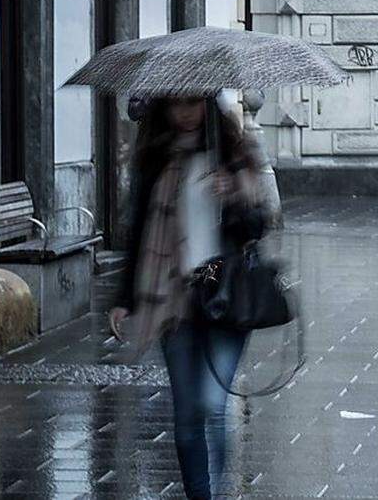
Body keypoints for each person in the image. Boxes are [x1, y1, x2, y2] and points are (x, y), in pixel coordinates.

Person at [109, 96, 267, 500]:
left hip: (225, 296)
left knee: (213, 404)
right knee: (185, 417)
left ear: (208, 104)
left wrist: (232, 193)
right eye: (175, 104)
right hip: (172, 297)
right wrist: (124, 297)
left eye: (193, 103)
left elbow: (260, 226)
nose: (184, 113)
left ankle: (215, 490)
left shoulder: (234, 151)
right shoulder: (156, 159)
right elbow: (139, 231)